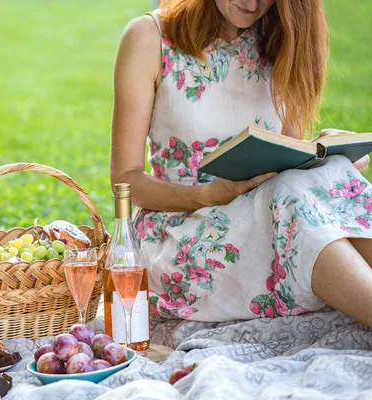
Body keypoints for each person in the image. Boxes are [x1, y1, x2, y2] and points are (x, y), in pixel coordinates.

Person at [110, 0, 372, 327]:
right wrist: (209, 196)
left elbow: (288, 164)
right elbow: (125, 180)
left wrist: (327, 153)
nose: (251, 3)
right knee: (289, 193)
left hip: (265, 214)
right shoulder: (150, 38)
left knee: (329, 174)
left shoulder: (283, 37)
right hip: (181, 236)